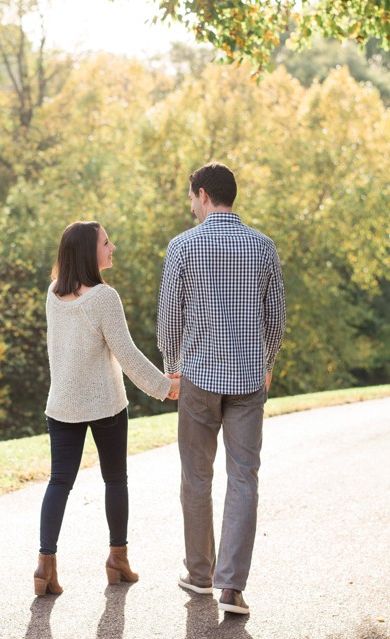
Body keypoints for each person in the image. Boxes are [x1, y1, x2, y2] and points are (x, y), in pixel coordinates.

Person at [157, 162, 286, 615]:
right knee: (244, 478)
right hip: (249, 380)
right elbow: (276, 318)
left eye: (192, 196)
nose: (190, 205)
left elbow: (170, 317)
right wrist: (266, 361)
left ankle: (199, 575)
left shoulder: (183, 246)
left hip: (198, 379)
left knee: (196, 476)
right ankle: (231, 588)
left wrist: (172, 367)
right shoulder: (263, 246)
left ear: (204, 194)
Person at [34, 220, 179, 596]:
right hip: (104, 406)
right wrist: (165, 387)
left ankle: (44, 564)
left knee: (59, 483)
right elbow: (127, 354)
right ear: (88, 251)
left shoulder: (53, 293)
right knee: (115, 481)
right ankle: (118, 559)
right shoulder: (103, 298)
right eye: (106, 242)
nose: (112, 247)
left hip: (61, 405)